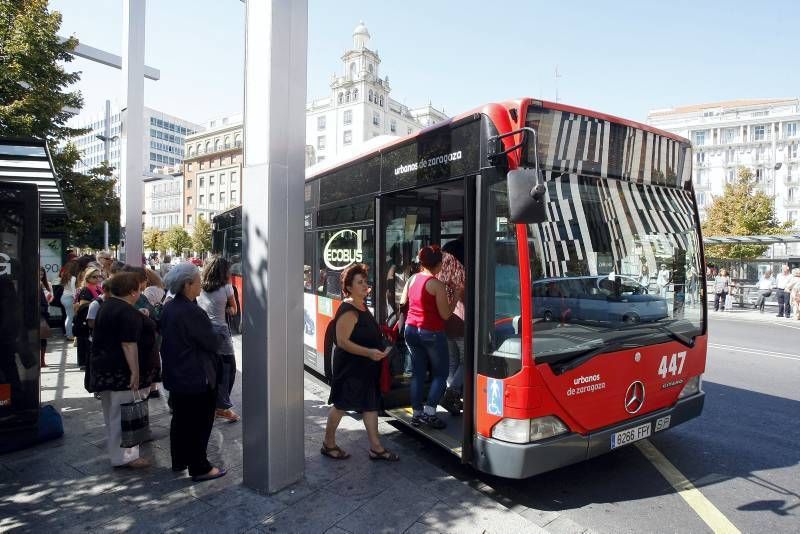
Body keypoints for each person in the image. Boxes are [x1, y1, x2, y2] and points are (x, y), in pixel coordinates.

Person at [322, 263, 397, 461]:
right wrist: (370, 352)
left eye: (365, 281)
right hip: (351, 368)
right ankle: (328, 444)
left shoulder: (361, 305)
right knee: (340, 405)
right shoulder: (349, 310)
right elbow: (343, 342)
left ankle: (376, 448)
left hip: (365, 367)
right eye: (359, 282)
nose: (365, 285)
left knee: (370, 405)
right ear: (348, 287)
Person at [160, 263, 227, 482]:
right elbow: (209, 342)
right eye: (197, 281)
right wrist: (219, 335)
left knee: (180, 421)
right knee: (199, 423)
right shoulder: (192, 312)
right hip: (196, 376)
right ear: (187, 284)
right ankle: (200, 466)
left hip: (176, 375)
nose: (201, 285)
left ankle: (179, 460)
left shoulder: (169, 307)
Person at [88, 272, 157, 469]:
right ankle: (125, 456)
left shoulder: (106, 306)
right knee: (123, 415)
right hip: (121, 372)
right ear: (132, 291)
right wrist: (134, 372)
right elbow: (129, 344)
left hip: (106, 369)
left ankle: (118, 452)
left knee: (112, 413)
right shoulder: (126, 312)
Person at [401, 245, 461, 429]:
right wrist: (456, 296)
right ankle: (430, 412)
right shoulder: (436, 284)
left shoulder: (412, 279)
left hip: (411, 330)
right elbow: (445, 314)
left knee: (418, 374)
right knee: (441, 374)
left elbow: (403, 302)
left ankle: (417, 413)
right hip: (432, 333)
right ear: (439, 264)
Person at [197, 256, 240, 422]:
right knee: (228, 368)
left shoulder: (201, 287)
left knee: (211, 369)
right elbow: (234, 310)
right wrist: (227, 308)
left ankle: (212, 404)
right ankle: (222, 407)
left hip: (204, 331)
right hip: (221, 333)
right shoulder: (227, 288)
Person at [436, 240, 466, 415]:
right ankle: (451, 393)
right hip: (462, 324)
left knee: (453, 361)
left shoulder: (441, 275)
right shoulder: (462, 274)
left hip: (446, 322)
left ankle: (452, 397)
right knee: (465, 361)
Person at [74, 267, 103, 368]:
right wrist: (96, 304)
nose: (98, 279)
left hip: (96, 318)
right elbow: (83, 306)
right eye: (94, 277)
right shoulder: (85, 290)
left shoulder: (99, 288)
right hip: (86, 320)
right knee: (85, 342)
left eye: (99, 276)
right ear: (88, 278)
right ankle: (84, 363)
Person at [59, 260, 80, 341]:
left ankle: (68, 334)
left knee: (68, 317)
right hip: (69, 298)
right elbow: (73, 290)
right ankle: (70, 335)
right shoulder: (73, 278)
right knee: (70, 317)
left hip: (64, 297)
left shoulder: (65, 276)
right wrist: (76, 299)